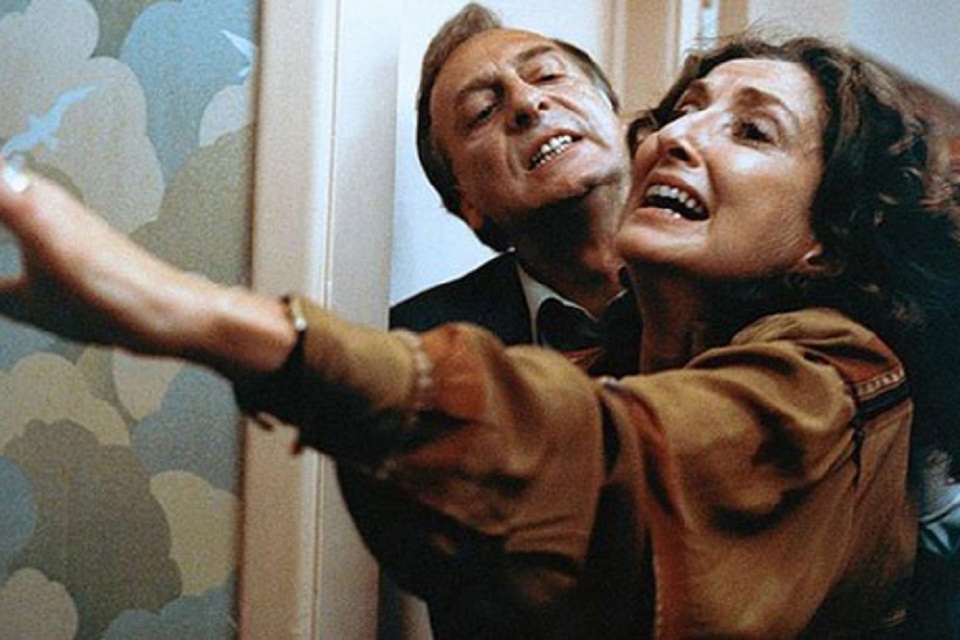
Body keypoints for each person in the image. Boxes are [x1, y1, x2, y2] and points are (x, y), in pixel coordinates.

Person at [1, 34, 959, 638]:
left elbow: (608, 453)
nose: (678, 136)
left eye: (751, 132)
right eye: (681, 113)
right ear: (469, 206)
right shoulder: (570, 354)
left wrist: (198, 315)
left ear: (831, 236)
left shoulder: (839, 374)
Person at [390, 4, 639, 379]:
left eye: (548, 75)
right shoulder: (416, 347)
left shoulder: (723, 284)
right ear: (467, 204)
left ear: (614, 115)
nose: (526, 102)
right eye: (483, 111)